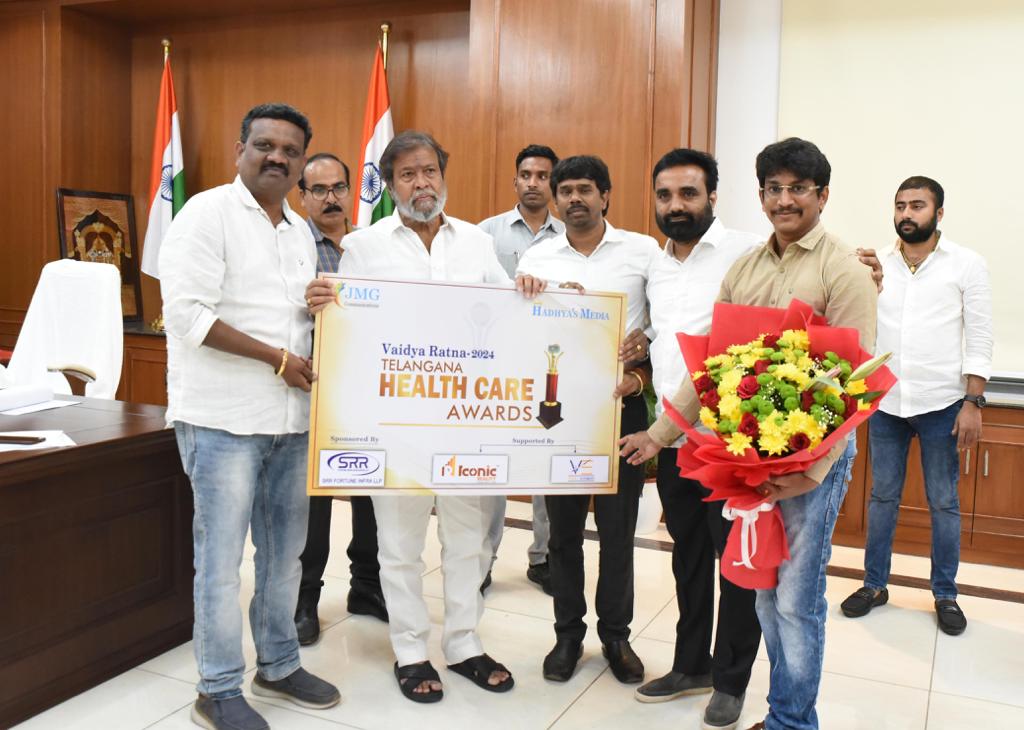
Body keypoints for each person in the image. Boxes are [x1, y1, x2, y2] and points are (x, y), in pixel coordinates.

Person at [620, 138, 878, 730]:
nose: (784, 200)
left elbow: (855, 385)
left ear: (822, 196)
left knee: (796, 600)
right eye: (773, 189)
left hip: (813, 465)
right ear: (761, 196)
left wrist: (809, 472)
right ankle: (783, 712)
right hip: (751, 460)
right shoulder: (747, 268)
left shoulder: (843, 269)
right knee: (763, 591)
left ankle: (793, 720)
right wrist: (661, 433)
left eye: (798, 189)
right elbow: (712, 366)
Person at [305, 130, 546, 703]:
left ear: (443, 175)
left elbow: (507, 313)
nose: (421, 183)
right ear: (391, 185)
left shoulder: (475, 243)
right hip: (398, 422)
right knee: (399, 543)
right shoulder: (364, 245)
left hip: (466, 420)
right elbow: (349, 326)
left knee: (469, 540)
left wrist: (529, 287)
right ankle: (411, 650)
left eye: (429, 171)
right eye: (408, 174)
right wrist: (321, 303)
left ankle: (463, 643)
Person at [160, 103, 340, 730]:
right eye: (265, 145)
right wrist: (278, 358)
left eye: (291, 150)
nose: (277, 157)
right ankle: (216, 688)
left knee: (285, 556)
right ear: (240, 149)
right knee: (220, 563)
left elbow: (287, 316)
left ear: (301, 163)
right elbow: (188, 316)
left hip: (290, 420)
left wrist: (316, 306)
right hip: (222, 420)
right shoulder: (205, 213)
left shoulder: (297, 230)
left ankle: (279, 664)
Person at [516, 155, 658, 686]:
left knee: (618, 532)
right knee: (563, 534)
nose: (574, 198)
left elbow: (663, 325)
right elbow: (519, 332)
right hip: (560, 413)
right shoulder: (537, 257)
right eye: (566, 191)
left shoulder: (642, 252)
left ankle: (616, 636)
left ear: (606, 195)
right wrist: (530, 299)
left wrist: (642, 357)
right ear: (556, 200)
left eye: (585, 189)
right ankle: (567, 635)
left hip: (623, 406)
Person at [634, 148, 763, 729]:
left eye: (688, 194)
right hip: (673, 440)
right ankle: (691, 665)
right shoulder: (654, 265)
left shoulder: (747, 252)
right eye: (665, 195)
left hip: (732, 444)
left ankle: (730, 681)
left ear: (712, 196)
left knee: (736, 566)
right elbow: (655, 336)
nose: (675, 206)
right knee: (687, 558)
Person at [841, 176, 992, 636]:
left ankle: (945, 593)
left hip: (942, 403)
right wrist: (861, 281)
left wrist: (973, 401)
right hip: (886, 401)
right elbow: (857, 322)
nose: (907, 214)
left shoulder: (966, 264)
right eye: (901, 205)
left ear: (938, 213)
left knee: (944, 502)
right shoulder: (876, 264)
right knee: (882, 497)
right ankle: (874, 585)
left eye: (917, 205)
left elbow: (980, 334)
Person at [293, 152, 387, 649]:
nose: (331, 198)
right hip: (314, 388)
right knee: (314, 500)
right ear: (302, 197)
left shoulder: (370, 246)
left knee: (372, 489)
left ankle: (366, 587)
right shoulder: (292, 246)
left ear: (352, 191)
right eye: (319, 189)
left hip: (369, 388)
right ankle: (304, 599)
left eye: (338, 188)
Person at [477, 143, 565, 595]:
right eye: (526, 175)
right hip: (496, 366)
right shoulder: (484, 234)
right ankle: (483, 559)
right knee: (491, 467)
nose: (533, 183)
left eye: (543, 176)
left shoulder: (569, 237)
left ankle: (543, 558)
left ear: (554, 183)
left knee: (545, 464)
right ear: (515, 181)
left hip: (550, 366)